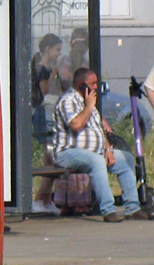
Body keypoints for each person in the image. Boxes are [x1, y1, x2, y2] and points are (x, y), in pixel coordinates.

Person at [51, 67, 148, 222]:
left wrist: (108, 149)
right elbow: (76, 124)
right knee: (96, 161)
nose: (96, 87)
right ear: (82, 85)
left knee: (126, 158)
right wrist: (89, 107)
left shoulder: (89, 101)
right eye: (93, 83)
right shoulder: (68, 100)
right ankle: (108, 210)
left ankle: (133, 207)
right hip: (68, 152)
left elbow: (99, 129)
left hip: (95, 151)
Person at [30, 33, 63, 138]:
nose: (59, 53)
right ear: (48, 49)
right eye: (57, 50)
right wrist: (53, 76)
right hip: (41, 111)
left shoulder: (48, 67)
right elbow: (45, 91)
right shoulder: (42, 70)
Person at [57, 28, 88, 94]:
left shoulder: (87, 65)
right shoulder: (62, 62)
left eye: (84, 44)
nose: (81, 47)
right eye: (78, 44)